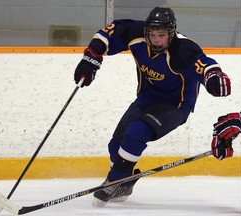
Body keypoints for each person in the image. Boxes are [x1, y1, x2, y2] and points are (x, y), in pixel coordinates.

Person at [73, 7, 231, 207]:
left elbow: (205, 65)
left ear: (171, 34)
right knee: (115, 145)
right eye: (153, 34)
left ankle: (115, 180)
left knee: (137, 131)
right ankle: (125, 182)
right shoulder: (136, 35)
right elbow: (109, 33)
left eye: (162, 35)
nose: (156, 40)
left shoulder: (183, 49)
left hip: (176, 105)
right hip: (146, 99)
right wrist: (91, 58)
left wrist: (214, 77)